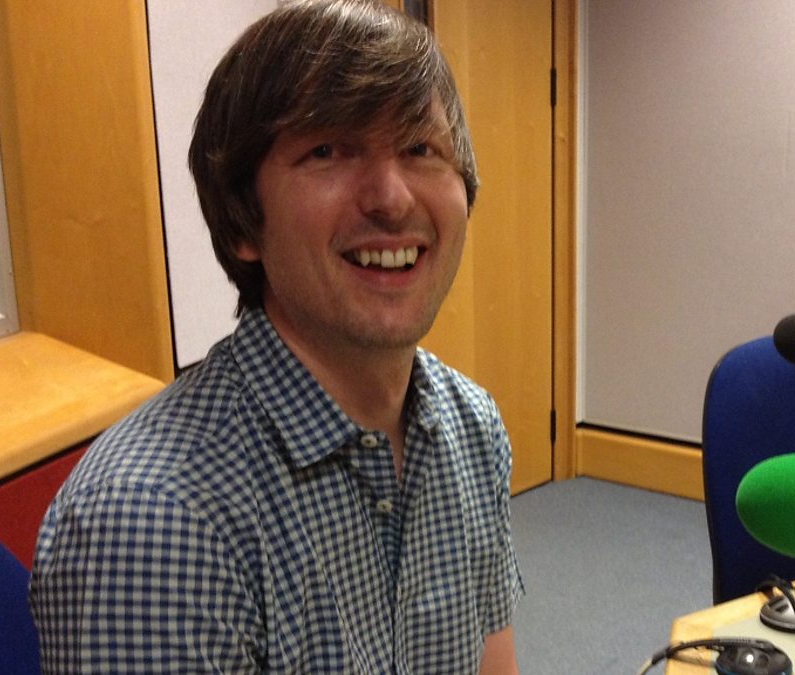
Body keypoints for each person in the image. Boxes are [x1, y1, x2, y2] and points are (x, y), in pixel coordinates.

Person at [29, 1, 522, 672]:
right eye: (327, 151)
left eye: (420, 149)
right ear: (242, 223)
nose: (392, 198)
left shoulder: (472, 426)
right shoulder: (154, 521)